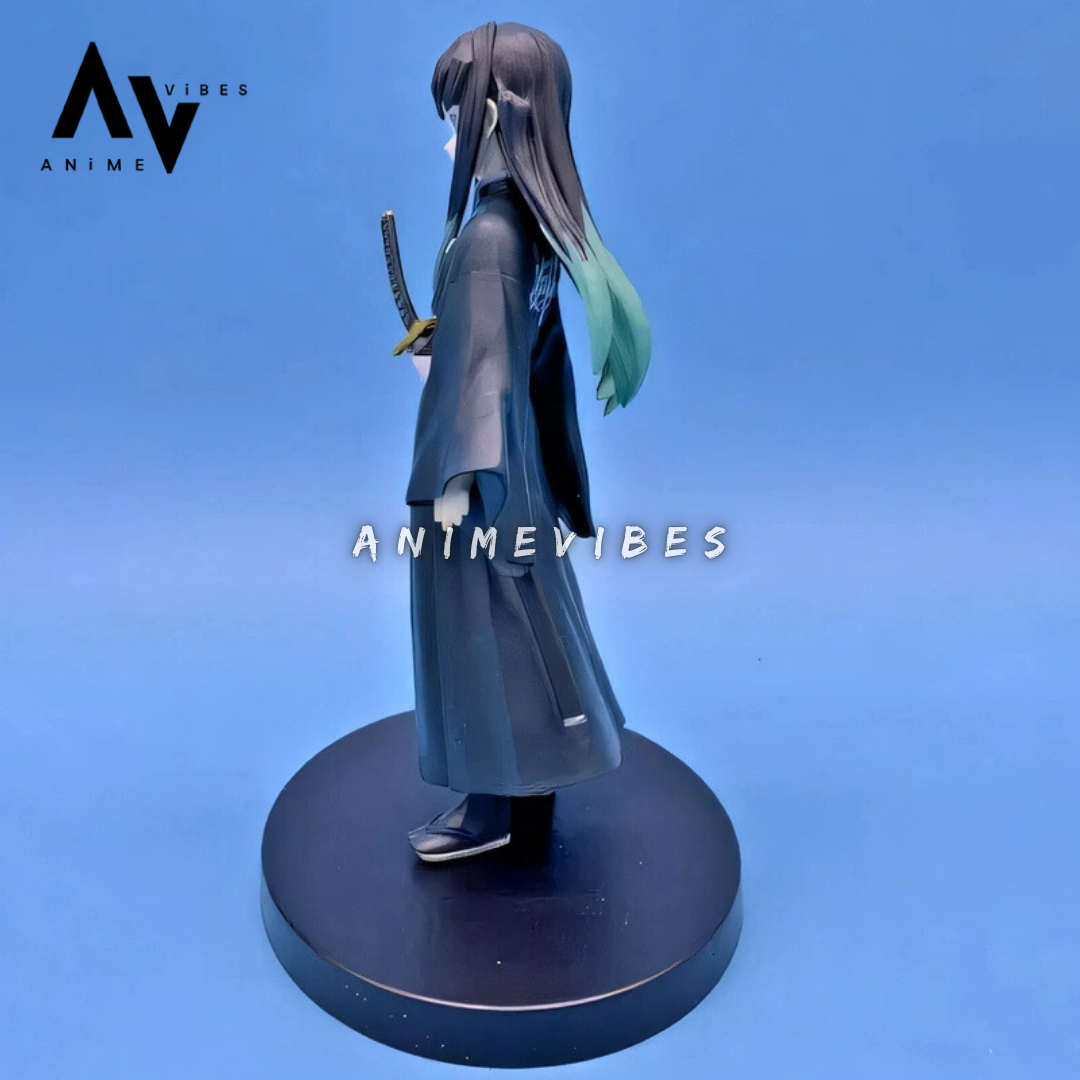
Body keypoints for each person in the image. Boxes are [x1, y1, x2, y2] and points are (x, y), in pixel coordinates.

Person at [404, 22, 652, 862]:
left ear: (495, 119)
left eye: (457, 120)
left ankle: (489, 810)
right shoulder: (534, 232)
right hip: (521, 479)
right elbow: (529, 359)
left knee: (481, 643)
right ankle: (531, 791)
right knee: (529, 636)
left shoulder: (488, 237)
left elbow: (486, 378)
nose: (449, 143)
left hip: (481, 487)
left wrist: (457, 478)